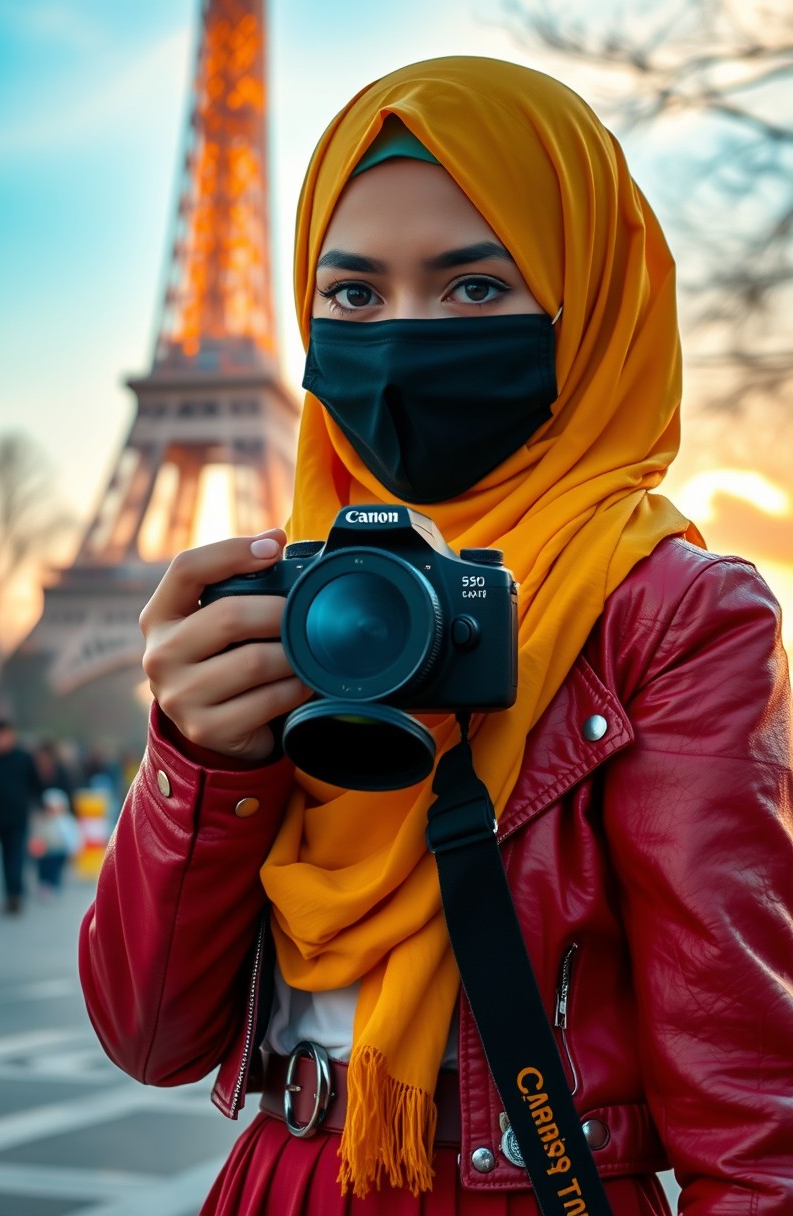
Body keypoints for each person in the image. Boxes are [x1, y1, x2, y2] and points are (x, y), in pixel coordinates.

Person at [79, 56, 793, 1214]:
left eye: (472, 290)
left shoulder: (664, 611)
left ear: (588, 303)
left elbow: (754, 1123)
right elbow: (150, 1035)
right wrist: (196, 759)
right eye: (353, 296)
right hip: (280, 1178)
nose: (402, 338)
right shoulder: (280, 597)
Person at [0, 717, 42, 914]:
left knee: (16, 855)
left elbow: (35, 784)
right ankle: (9, 895)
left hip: (19, 816)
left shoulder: (23, 758)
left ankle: (16, 895)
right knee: (4, 857)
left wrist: (39, 804)